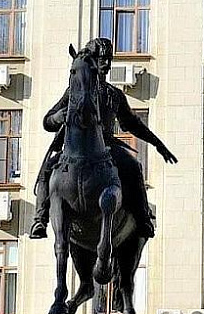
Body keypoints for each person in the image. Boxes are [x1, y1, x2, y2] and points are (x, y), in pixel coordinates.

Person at [30, 37, 177, 239]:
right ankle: (40, 220)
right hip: (74, 151)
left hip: (106, 149)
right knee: (47, 170)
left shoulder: (114, 94)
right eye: (101, 59)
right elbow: (47, 121)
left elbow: (133, 124)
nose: (106, 63)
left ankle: (143, 219)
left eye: (109, 59)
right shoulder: (73, 92)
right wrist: (58, 117)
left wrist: (159, 145)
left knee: (134, 167)